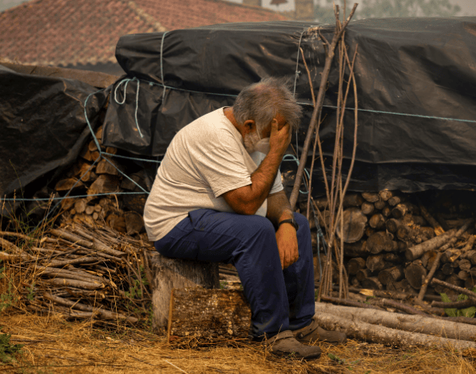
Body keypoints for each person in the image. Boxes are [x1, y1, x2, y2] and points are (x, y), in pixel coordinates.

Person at [143, 77, 346, 359]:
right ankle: (273, 334)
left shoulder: (251, 137)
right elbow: (247, 205)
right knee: (257, 229)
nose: (278, 138)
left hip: (212, 218)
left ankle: (301, 324)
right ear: (249, 125)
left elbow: (274, 195)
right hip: (175, 224)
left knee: (297, 224)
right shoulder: (215, 135)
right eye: (273, 133)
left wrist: (285, 222)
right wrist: (276, 151)